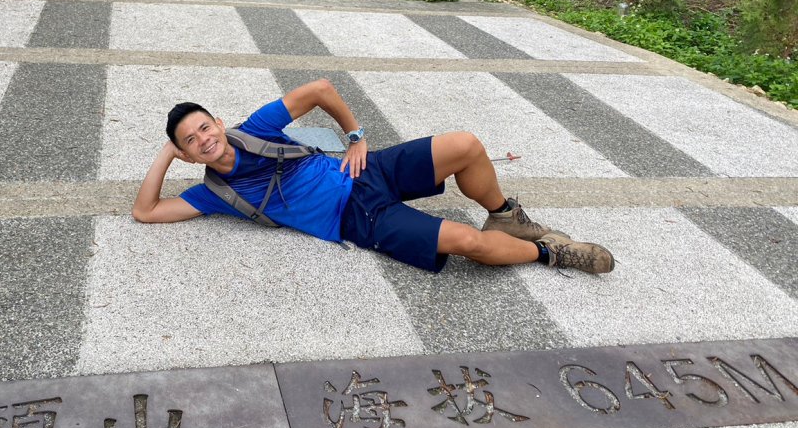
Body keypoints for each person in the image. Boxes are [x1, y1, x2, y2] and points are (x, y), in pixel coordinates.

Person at [133, 79, 615, 274]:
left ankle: (505, 215)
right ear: (188, 155)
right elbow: (145, 211)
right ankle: (551, 253)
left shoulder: (254, 129)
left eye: (204, 128)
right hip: (357, 218)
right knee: (467, 242)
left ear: (218, 123)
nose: (203, 140)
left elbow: (320, 89)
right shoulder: (213, 194)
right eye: (190, 141)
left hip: (363, 169)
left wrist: (356, 137)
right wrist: (165, 153)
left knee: (466, 145)